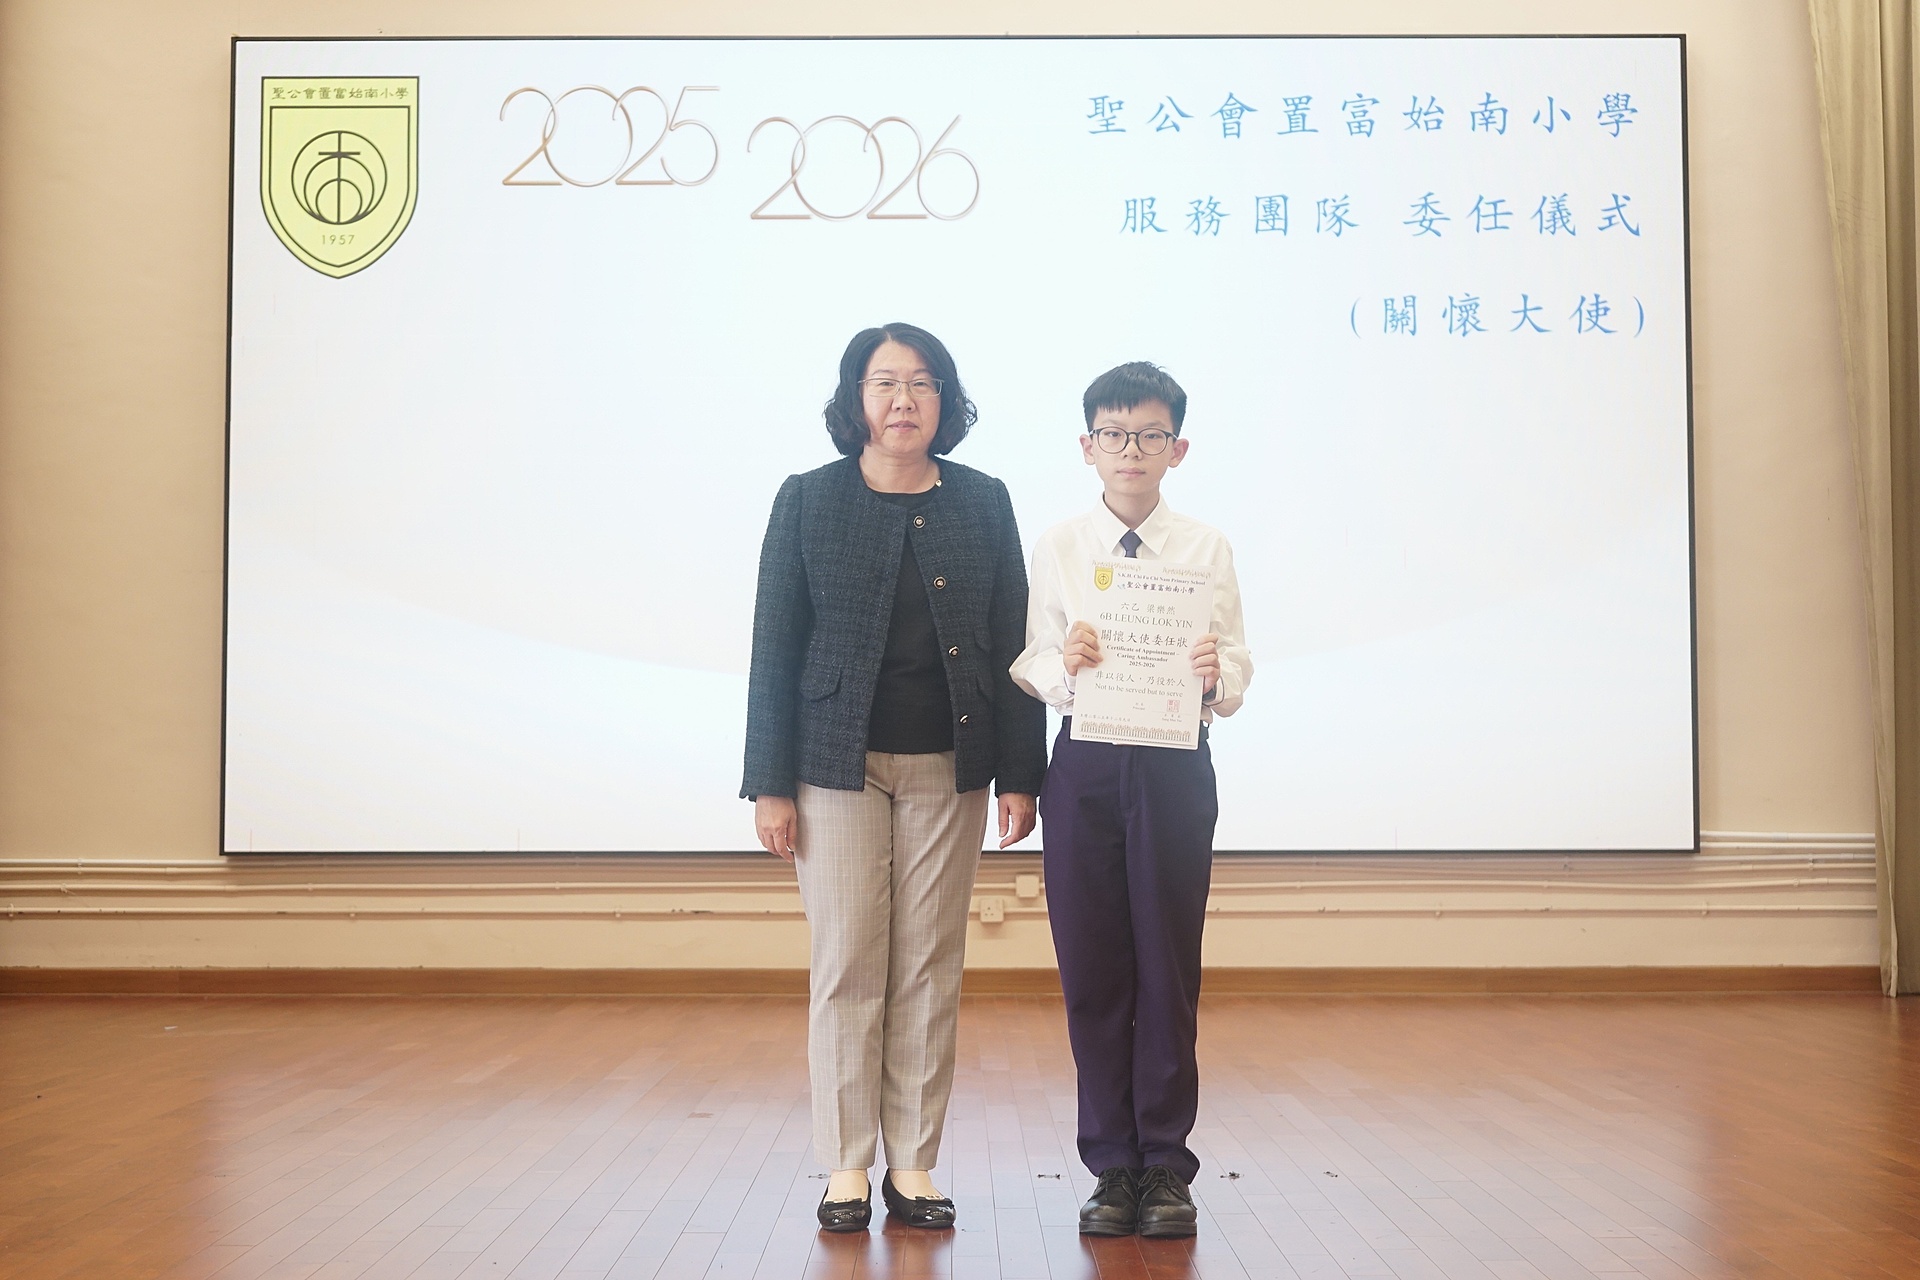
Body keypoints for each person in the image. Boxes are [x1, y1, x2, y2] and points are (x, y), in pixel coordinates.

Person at [742, 323, 1046, 1233]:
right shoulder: (807, 498)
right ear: (855, 400)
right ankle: (845, 1165)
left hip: (951, 765)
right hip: (834, 768)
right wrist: (769, 782)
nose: (904, 400)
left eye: (922, 383)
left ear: (946, 400)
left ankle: (913, 1163)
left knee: (928, 966)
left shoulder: (984, 500)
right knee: (847, 964)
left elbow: (1012, 639)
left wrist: (1020, 775)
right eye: (884, 383)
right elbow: (774, 646)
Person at [1010, 362, 1252, 1239]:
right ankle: (1112, 1164)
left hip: (1175, 766)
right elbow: (1030, 658)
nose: (1132, 450)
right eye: (1114, 434)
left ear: (1177, 448)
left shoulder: (1205, 547)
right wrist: (1064, 666)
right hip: (1086, 765)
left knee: (1168, 968)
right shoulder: (1061, 545)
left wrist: (1215, 673)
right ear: (1088, 446)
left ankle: (1167, 1166)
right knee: (1094, 969)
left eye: (1151, 435)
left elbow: (1239, 662)